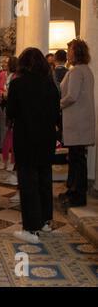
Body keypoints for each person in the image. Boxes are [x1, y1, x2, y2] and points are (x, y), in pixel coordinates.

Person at [7, 48, 60, 244]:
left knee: (28, 182)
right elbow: (56, 114)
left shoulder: (18, 83)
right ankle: (46, 221)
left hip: (26, 138)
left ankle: (31, 229)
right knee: (45, 178)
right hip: (46, 138)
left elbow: (11, 111)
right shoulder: (50, 85)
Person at [59, 39, 95, 208]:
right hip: (81, 120)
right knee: (76, 157)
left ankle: (78, 194)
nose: (68, 53)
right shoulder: (85, 70)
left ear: (77, 52)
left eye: (70, 50)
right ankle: (73, 190)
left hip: (76, 121)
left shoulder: (76, 71)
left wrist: (57, 105)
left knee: (77, 159)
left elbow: (72, 96)